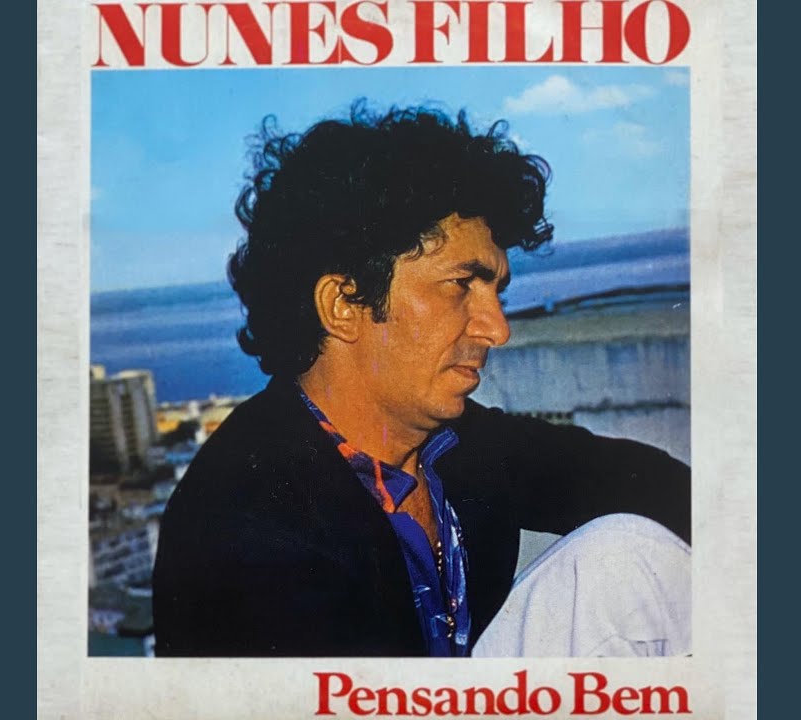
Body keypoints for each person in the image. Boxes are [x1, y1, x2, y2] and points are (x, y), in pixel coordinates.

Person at [152, 102, 691, 657]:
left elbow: (648, 482)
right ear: (342, 305)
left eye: (497, 293)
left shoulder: (452, 447)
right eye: (461, 285)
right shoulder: (246, 526)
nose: (497, 329)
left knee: (631, 557)